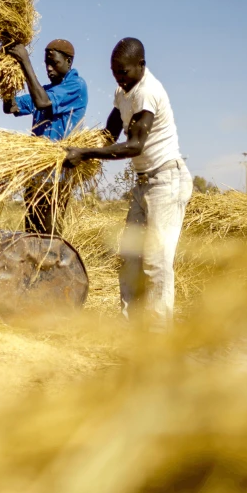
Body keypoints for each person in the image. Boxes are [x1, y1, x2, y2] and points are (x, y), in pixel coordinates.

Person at [64, 38, 192, 331]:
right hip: (144, 183)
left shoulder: (147, 93)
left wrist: (85, 154)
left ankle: (159, 334)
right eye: (114, 71)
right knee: (131, 256)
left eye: (123, 71)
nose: (118, 77)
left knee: (157, 261)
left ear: (141, 66)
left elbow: (134, 146)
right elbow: (111, 132)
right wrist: (79, 145)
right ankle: (129, 328)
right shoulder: (123, 91)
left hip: (166, 181)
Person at [3, 39, 88, 235]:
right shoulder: (44, 90)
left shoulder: (76, 86)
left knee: (49, 236)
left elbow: (42, 103)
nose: (49, 68)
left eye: (55, 63)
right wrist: (8, 76)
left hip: (57, 175)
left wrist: (25, 62)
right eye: (46, 64)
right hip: (37, 173)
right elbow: (10, 107)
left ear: (69, 62)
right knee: (32, 232)